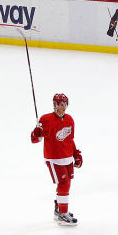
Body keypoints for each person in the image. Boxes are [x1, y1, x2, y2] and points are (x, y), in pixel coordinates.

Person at [31, 93, 82, 225]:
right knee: (63, 183)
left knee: (67, 183)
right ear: (55, 105)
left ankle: (59, 209)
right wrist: (36, 133)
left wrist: (76, 154)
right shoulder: (46, 119)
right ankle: (63, 214)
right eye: (60, 103)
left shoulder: (70, 119)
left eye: (65, 103)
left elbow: (70, 139)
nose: (63, 106)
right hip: (54, 158)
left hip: (67, 157)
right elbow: (35, 139)